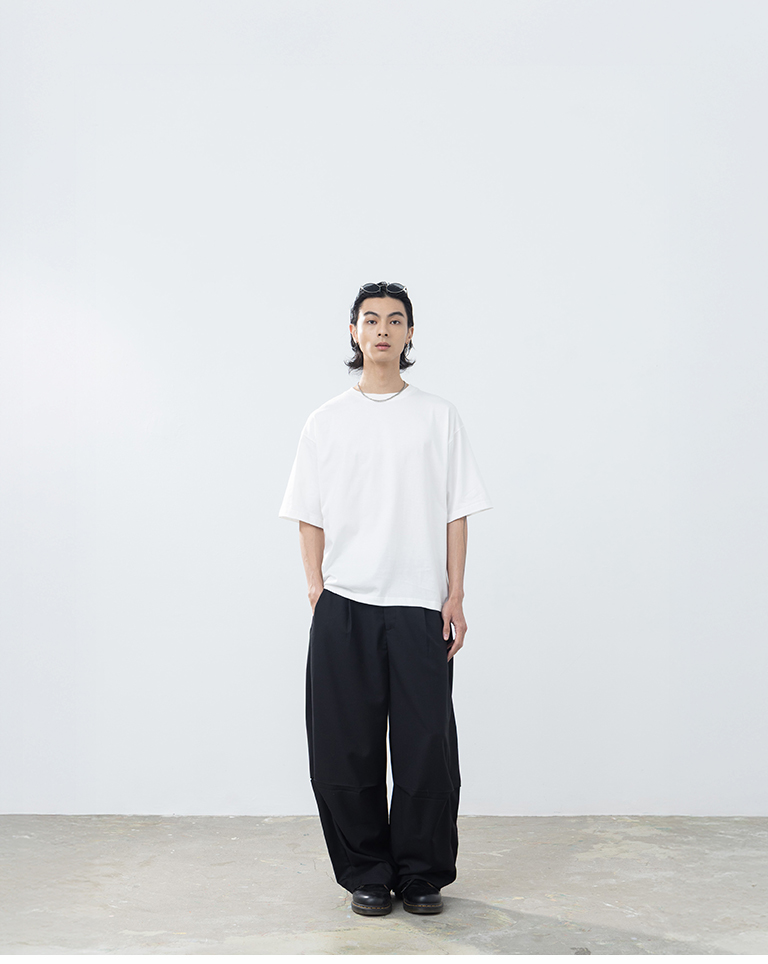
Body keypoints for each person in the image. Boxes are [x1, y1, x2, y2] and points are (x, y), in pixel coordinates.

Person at [278, 281, 492, 916]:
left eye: (395, 320)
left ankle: (422, 874)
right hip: (345, 603)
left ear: (410, 334)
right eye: (370, 320)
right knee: (346, 748)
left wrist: (455, 594)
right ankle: (366, 872)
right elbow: (308, 514)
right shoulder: (325, 420)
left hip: (421, 604)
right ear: (353, 332)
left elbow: (456, 512)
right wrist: (317, 589)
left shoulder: (438, 416)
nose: (382, 330)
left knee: (427, 749)